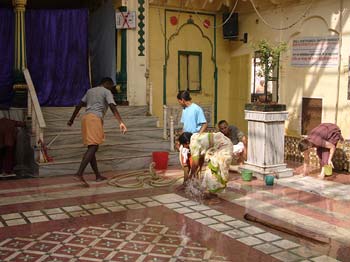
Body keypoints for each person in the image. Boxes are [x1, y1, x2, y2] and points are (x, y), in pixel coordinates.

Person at [67, 77, 127, 187]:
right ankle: (79, 174)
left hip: (86, 118)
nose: (111, 88)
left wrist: (71, 119)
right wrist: (121, 122)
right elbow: (112, 106)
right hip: (94, 119)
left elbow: (79, 105)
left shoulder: (90, 91)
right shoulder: (107, 91)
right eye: (111, 86)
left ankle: (97, 175)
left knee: (92, 147)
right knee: (93, 147)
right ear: (107, 84)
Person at [178, 132, 233, 196]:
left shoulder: (193, 144)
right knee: (214, 170)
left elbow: (195, 164)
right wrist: (199, 168)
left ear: (187, 142)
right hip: (224, 143)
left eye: (184, 145)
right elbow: (200, 157)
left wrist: (190, 177)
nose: (185, 148)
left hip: (224, 147)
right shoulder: (195, 136)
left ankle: (213, 196)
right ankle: (212, 193)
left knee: (212, 172)